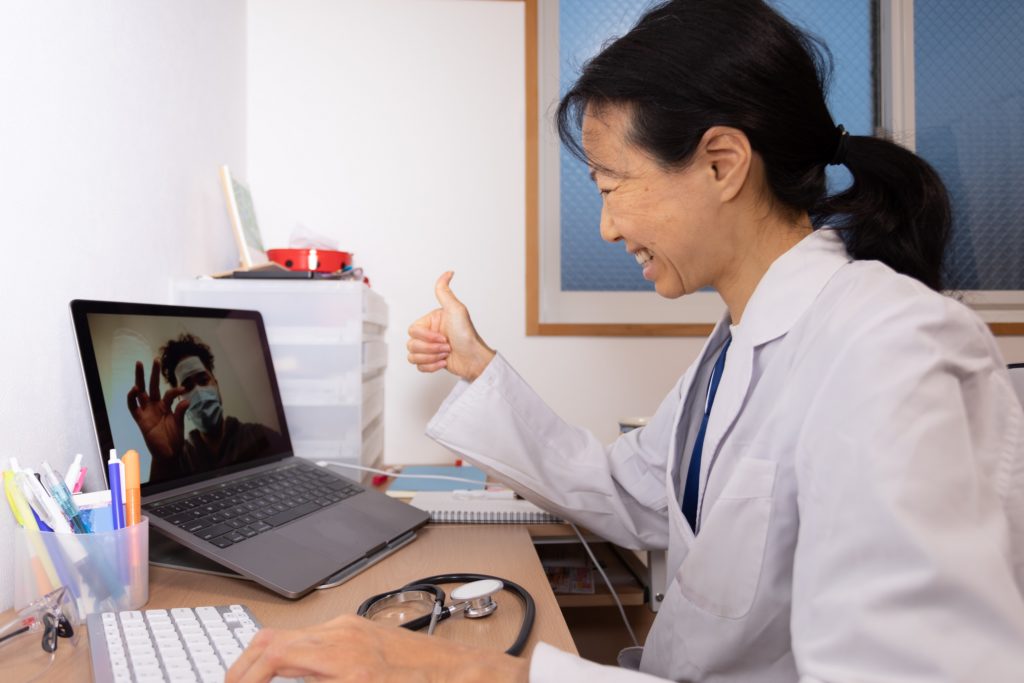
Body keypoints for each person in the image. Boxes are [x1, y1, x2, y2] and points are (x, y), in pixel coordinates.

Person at [226, 0, 1024, 681]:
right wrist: (479, 368)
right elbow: (629, 493)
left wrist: (465, 668)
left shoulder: (888, 348)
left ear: (721, 162)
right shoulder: (740, 344)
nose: (607, 225)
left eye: (613, 185)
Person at [127, 333, 288, 481]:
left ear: (216, 385)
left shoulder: (259, 436)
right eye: (187, 387)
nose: (198, 391)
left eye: (203, 381)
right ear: (179, 400)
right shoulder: (180, 458)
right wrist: (162, 461)